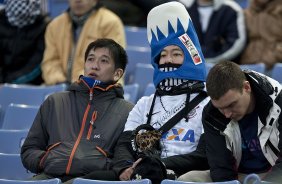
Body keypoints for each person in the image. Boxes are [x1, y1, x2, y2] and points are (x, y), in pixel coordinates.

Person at [111, 2, 210, 183]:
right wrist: (125, 168)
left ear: (190, 57)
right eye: (163, 55)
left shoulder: (209, 103)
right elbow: (124, 145)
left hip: (184, 175)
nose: (167, 60)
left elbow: (204, 155)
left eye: (176, 54)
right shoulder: (145, 104)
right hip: (142, 174)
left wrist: (158, 165)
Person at [21, 38, 134, 183]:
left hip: (91, 180)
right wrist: (45, 160)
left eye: (104, 61)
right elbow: (29, 149)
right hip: (49, 176)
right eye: (91, 59)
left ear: (117, 74)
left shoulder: (128, 111)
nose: (94, 66)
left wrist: (99, 165)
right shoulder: (54, 102)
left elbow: (124, 161)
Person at [196, 61, 281, 183]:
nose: (227, 114)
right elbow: (221, 168)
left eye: (231, 105)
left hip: (273, 175)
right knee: (187, 179)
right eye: (220, 108)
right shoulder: (211, 114)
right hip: (237, 176)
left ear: (246, 87)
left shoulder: (279, 102)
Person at [41, 0, 126, 86]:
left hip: (100, 89)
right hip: (62, 89)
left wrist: (77, 83)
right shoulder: (54, 26)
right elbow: (50, 63)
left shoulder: (111, 23)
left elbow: (108, 65)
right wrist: (60, 83)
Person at [178, 0, 246, 64]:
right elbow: (176, 38)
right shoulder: (180, 7)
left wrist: (210, 61)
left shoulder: (231, 9)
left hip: (221, 67)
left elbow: (236, 42)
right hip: (188, 65)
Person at [0, 0, 50, 85]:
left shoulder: (45, 25)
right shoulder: (1, 19)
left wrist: (10, 84)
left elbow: (37, 63)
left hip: (29, 85)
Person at [238, 0, 282, 71]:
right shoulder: (246, 13)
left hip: (276, 64)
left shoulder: (280, 10)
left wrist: (274, 56)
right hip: (249, 63)